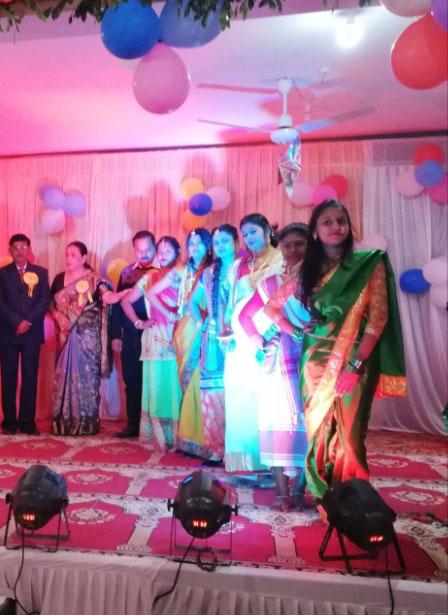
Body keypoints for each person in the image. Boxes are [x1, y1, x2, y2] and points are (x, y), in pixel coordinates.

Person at [266, 200, 407, 506]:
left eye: (341, 220)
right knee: (319, 430)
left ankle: (352, 498)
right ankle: (324, 496)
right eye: (327, 222)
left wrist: (355, 365)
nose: (336, 227)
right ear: (316, 231)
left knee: (351, 434)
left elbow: (378, 319)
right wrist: (297, 331)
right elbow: (271, 307)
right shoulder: (307, 269)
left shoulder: (369, 262)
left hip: (357, 357)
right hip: (315, 359)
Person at [239, 223, 310, 511]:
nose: (293, 250)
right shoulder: (271, 284)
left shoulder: (321, 280)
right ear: (280, 248)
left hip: (312, 359)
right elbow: (245, 317)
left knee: (310, 424)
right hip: (279, 362)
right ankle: (282, 492)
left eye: (300, 244)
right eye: (287, 245)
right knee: (278, 421)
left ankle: (301, 490)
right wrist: (261, 341)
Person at [224, 213, 283, 472]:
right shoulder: (239, 265)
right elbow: (231, 302)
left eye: (253, 232)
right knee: (240, 393)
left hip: (270, 331)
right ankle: (245, 460)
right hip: (241, 337)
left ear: (267, 230)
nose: (249, 238)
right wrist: (226, 331)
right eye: (245, 234)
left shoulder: (281, 258)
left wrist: (272, 332)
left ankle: (270, 458)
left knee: (266, 394)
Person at [50, 241, 127, 436]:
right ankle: (63, 422)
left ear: (84, 258)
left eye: (73, 255)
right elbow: (50, 303)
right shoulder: (59, 279)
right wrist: (57, 315)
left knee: (86, 379)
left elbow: (106, 297)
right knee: (63, 377)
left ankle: (85, 423)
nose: (68, 258)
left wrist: (119, 295)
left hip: (87, 337)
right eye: (67, 254)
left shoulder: (94, 279)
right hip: (64, 335)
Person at [121, 236, 182, 451]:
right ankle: (160, 437)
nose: (163, 255)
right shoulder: (150, 277)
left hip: (177, 334)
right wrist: (139, 322)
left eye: (168, 251)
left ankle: (179, 436)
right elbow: (126, 301)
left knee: (176, 384)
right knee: (156, 385)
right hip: (155, 336)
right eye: (160, 251)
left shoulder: (183, 273)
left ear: (178, 252)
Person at [189, 224, 239, 463]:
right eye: (217, 243)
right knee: (214, 393)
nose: (220, 246)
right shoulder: (208, 273)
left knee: (239, 390)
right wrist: (203, 323)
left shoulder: (246, 268)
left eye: (225, 241)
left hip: (241, 336)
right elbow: (192, 303)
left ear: (236, 243)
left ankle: (240, 449)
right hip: (213, 339)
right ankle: (217, 449)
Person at [0, 234, 51, 435]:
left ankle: (28, 422)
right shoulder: (2, 274)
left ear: (29, 249)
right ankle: (9, 422)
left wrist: (27, 321)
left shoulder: (41, 272)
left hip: (32, 333)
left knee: (30, 377)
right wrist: (16, 322)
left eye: (24, 247)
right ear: (10, 250)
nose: (20, 251)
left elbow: (45, 300)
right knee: (8, 377)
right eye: (16, 248)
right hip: (8, 333)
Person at [111, 230, 157, 438]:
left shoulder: (162, 271)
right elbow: (117, 304)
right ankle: (133, 423)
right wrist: (115, 335)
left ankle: (155, 424)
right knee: (131, 379)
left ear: (155, 248)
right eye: (139, 250)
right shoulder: (127, 272)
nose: (144, 254)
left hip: (155, 332)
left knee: (154, 380)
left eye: (148, 249)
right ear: (134, 250)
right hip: (130, 334)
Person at [174, 228, 213, 458]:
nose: (195, 247)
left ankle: (204, 439)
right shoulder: (184, 270)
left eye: (199, 243)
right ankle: (187, 437)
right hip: (185, 329)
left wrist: (202, 325)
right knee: (186, 383)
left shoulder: (213, 269)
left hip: (204, 328)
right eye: (191, 243)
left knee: (200, 383)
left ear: (209, 246)